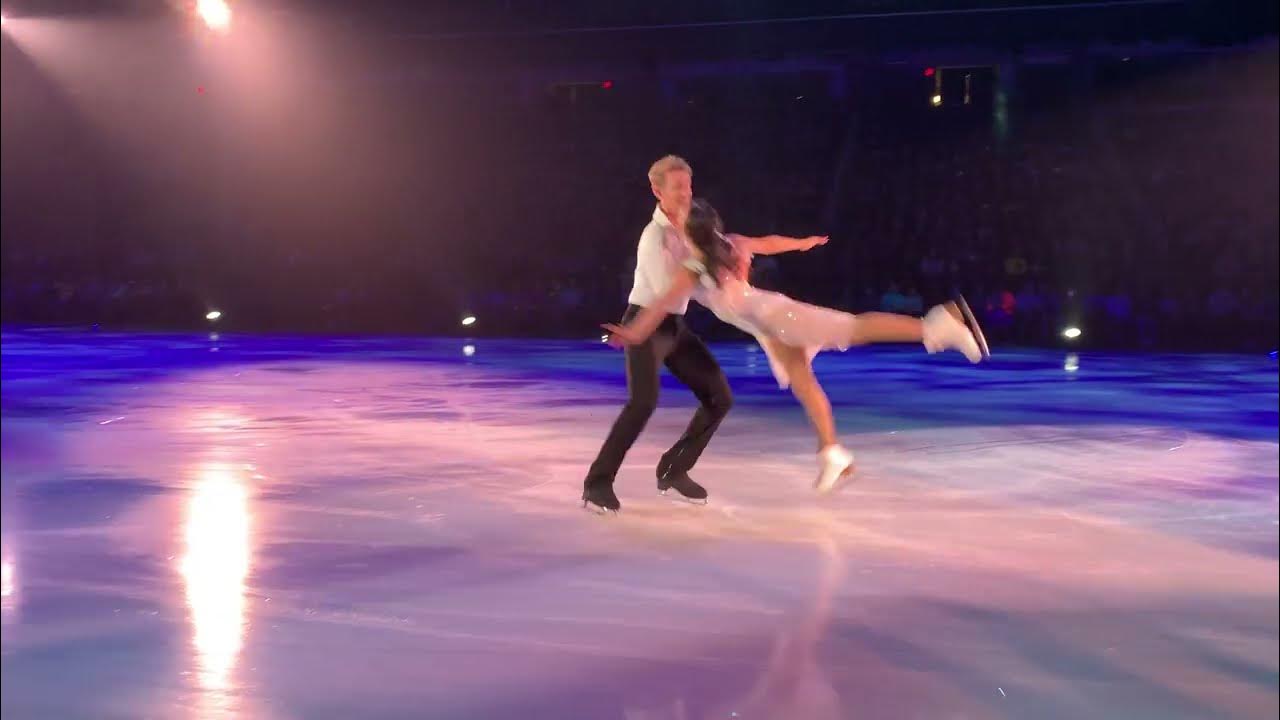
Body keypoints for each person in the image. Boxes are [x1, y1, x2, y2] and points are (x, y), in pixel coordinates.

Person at [604, 198, 988, 493]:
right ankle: (832, 453)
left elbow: (660, 303)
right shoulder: (729, 246)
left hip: (777, 318)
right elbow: (769, 243)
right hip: (770, 324)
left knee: (853, 329)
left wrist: (635, 333)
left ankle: (938, 323)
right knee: (803, 380)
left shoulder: (697, 267)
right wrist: (802, 243)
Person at [580, 156, 731, 514]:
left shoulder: (692, 226)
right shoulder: (655, 237)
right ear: (657, 190)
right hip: (646, 320)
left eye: (688, 186)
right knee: (642, 403)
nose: (685, 194)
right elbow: (669, 293)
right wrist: (704, 265)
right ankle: (596, 484)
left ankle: (674, 470)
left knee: (719, 397)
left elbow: (712, 269)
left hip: (674, 325)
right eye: (677, 187)